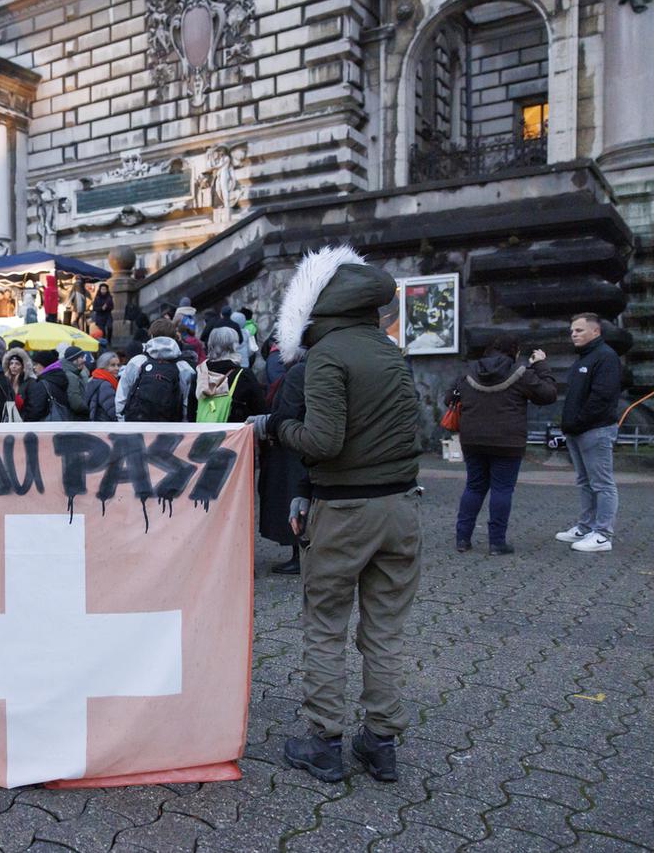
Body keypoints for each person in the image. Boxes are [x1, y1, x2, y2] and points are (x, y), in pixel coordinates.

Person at [255, 245, 423, 785]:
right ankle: (380, 742)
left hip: (346, 511)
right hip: (400, 509)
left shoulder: (328, 355)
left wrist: (275, 429)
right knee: (385, 631)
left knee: (325, 625)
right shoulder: (388, 351)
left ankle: (324, 741)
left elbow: (322, 440)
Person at [448, 334, 557, 555]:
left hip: (472, 440)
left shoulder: (467, 371)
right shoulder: (521, 373)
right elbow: (548, 395)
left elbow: (449, 399)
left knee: (474, 486)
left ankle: (462, 539)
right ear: (515, 352)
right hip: (508, 441)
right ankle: (497, 543)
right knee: (502, 489)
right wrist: (541, 366)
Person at [555, 312, 623, 553]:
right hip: (577, 431)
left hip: (595, 431)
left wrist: (579, 422)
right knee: (584, 481)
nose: (574, 334)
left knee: (602, 483)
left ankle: (603, 534)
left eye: (580, 330)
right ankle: (586, 527)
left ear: (596, 332)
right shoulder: (583, 358)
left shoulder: (605, 357)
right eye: (572, 330)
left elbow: (602, 398)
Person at [258, 347, 308, 575]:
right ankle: (300, 554)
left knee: (293, 498)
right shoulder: (304, 371)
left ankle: (300, 556)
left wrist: (269, 425)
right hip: (297, 445)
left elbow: (288, 411)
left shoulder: (296, 374)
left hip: (292, 447)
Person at [116, 318, 196, 422]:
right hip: (171, 429)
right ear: (174, 337)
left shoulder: (137, 362)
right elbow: (187, 405)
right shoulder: (184, 368)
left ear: (151, 336)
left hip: (137, 427)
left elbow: (122, 396)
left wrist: (123, 422)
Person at [196, 327, 266, 423]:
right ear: (234, 346)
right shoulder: (244, 375)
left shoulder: (199, 374)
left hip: (202, 434)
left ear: (210, 344)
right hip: (234, 435)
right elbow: (260, 410)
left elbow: (191, 412)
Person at [39, 346, 89, 420]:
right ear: (74, 360)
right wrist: (89, 408)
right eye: (81, 357)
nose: (84, 360)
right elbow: (76, 403)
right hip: (76, 418)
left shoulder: (70, 372)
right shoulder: (71, 376)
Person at [2, 347, 38, 420]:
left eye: (17, 364)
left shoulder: (30, 382)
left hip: (24, 421)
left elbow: (33, 405)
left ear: (23, 366)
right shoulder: (5, 382)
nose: (13, 366)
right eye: (11, 363)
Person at [85, 350, 120, 421]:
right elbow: (112, 410)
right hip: (106, 424)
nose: (117, 368)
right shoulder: (105, 385)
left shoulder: (95, 379)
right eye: (113, 365)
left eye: (118, 365)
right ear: (103, 367)